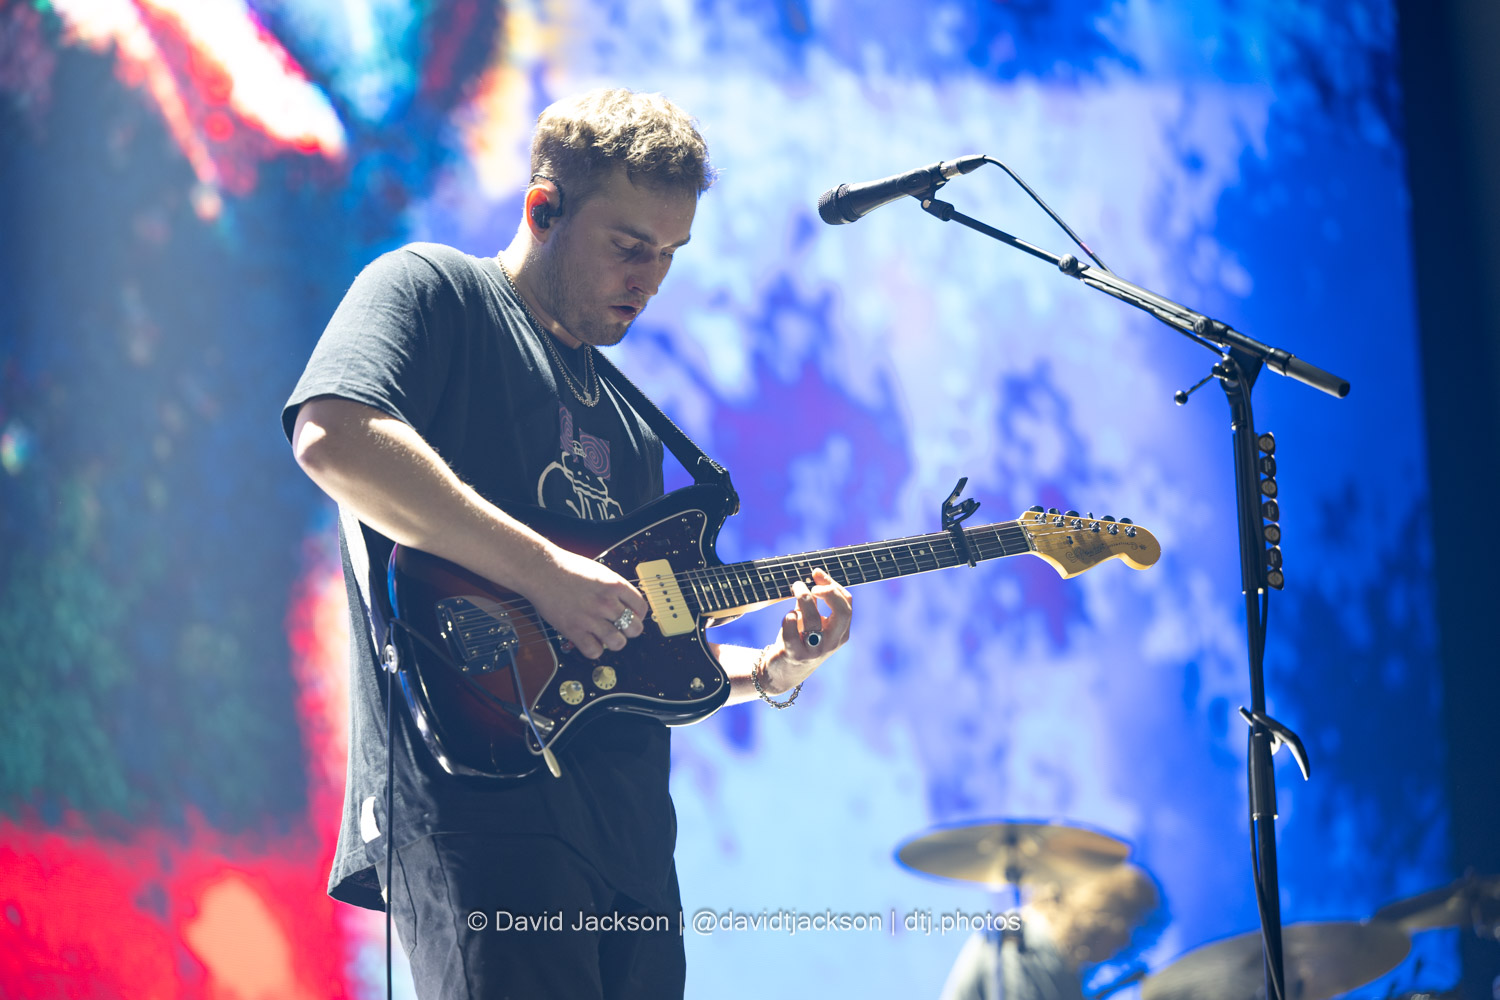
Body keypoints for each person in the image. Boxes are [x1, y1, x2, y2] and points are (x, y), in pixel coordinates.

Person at [283, 88, 853, 999]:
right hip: (482, 802)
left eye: (669, 256)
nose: (650, 280)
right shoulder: (433, 290)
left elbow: (627, 641)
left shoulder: (629, 422)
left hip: (630, 846)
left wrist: (772, 671)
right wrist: (546, 574)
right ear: (542, 210)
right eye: (630, 247)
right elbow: (334, 436)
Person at [938, 864, 1161, 1000]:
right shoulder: (1029, 942)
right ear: (1100, 917)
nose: (1126, 943)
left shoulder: (1051, 955)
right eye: (1127, 927)